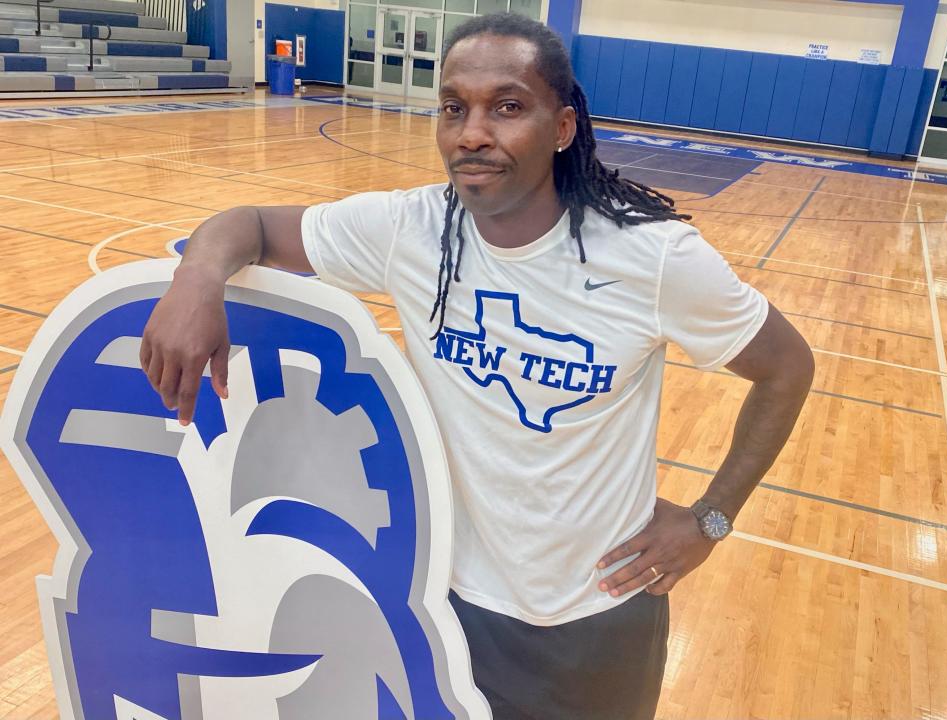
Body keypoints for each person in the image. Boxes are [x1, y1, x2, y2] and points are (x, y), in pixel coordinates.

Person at [140, 12, 814, 720]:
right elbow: (245, 224)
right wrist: (197, 280)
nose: (471, 133)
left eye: (509, 106)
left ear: (562, 127)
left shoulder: (652, 257)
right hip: (439, 602)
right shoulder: (412, 228)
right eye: (454, 108)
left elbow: (786, 367)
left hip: (596, 617)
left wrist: (711, 519)